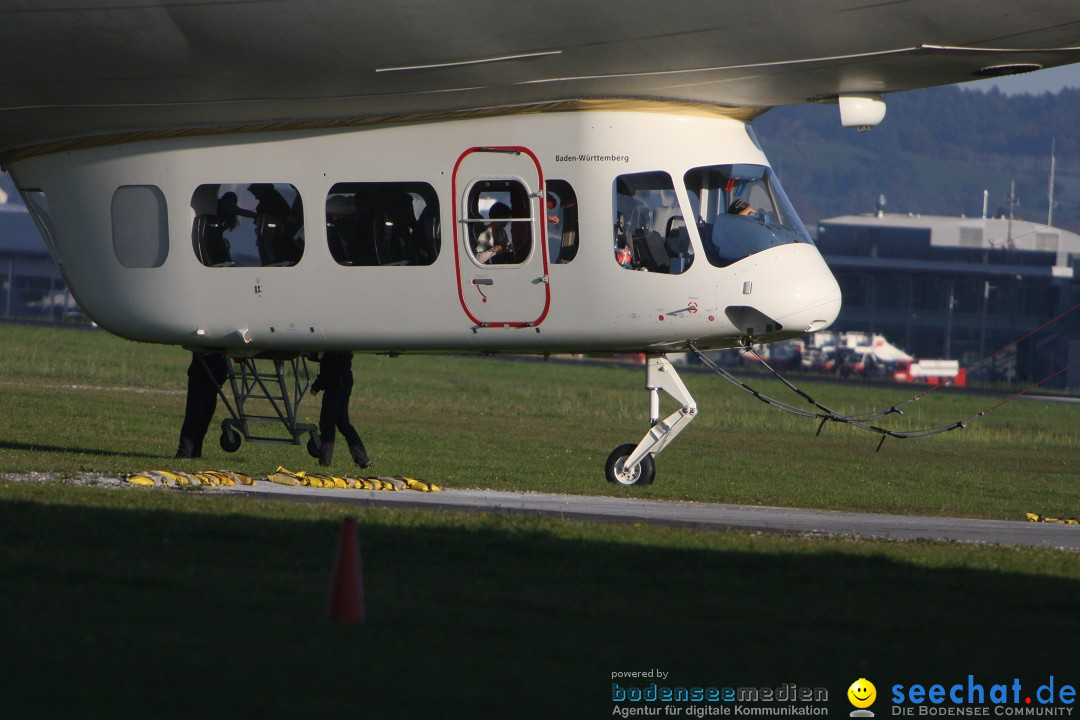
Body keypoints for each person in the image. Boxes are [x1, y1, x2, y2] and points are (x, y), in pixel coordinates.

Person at [311, 351, 371, 468]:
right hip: (343, 381)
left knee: (328, 423)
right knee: (343, 423)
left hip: (336, 383)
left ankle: (325, 461)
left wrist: (316, 386)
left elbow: (330, 368)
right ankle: (363, 460)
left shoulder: (334, 346)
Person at [176, 351, 229, 458]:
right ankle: (184, 452)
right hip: (201, 374)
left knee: (206, 415)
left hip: (214, 374)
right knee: (195, 415)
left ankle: (195, 452)